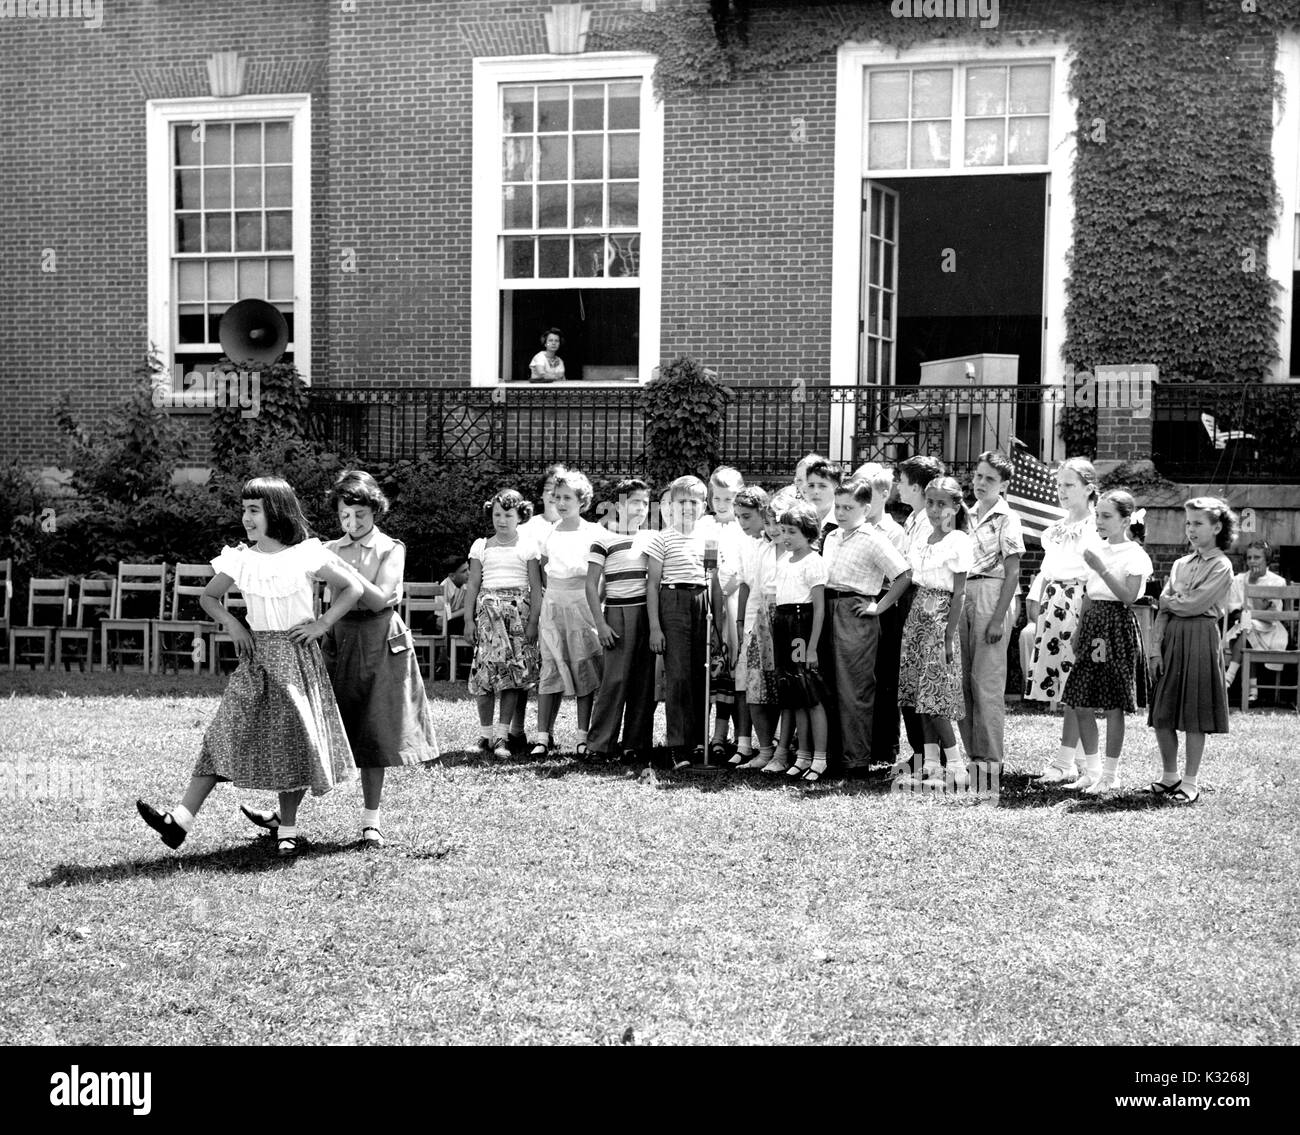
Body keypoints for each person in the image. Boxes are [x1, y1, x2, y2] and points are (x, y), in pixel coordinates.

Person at [136, 477, 363, 857]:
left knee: (294, 740)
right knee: (222, 733)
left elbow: (352, 588)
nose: (246, 518)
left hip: (295, 657)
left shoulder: (305, 554)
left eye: (253, 510)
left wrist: (322, 624)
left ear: (275, 512)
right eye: (244, 510)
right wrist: (234, 623)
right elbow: (209, 597)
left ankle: (287, 829)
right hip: (256, 659)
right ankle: (180, 821)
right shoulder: (241, 559)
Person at [241, 470, 439, 849]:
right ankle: (286, 818)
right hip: (336, 638)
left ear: (375, 511)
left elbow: (381, 598)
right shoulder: (326, 549)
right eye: (345, 516)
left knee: (375, 729)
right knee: (312, 726)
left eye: (360, 515)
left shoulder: (390, 548)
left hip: (380, 638)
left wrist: (347, 574)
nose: (352, 523)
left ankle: (371, 823)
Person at [1058, 489, 1152, 795]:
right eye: (1097, 514)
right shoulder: (1094, 548)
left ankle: (1111, 774)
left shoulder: (1134, 554)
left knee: (1113, 703)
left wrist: (1101, 567)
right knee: (1080, 699)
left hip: (1116, 626)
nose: (1099, 521)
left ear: (1125, 520)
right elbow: (1088, 593)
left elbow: (1129, 596)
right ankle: (1093, 770)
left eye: (1107, 516)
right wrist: (1079, 628)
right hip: (1094, 622)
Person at [1147, 497, 1237, 805]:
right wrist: (1156, 649)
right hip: (1172, 638)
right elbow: (1164, 609)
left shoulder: (1221, 565)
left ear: (1217, 527)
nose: (1192, 529)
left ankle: (1190, 781)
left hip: (1200, 636)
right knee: (1163, 710)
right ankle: (1169, 775)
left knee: (1194, 710)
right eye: (1188, 523)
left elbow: (1193, 604)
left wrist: (1172, 600)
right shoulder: (1180, 565)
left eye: (1198, 523)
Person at [821, 477, 911, 773]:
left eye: (849, 507)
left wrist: (879, 606)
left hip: (856, 611)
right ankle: (833, 755)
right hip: (828, 608)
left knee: (855, 688)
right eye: (838, 506)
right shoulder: (832, 536)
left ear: (865, 507)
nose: (841, 512)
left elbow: (903, 574)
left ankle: (856, 759)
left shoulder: (872, 538)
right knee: (830, 685)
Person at [1026, 457, 1102, 785]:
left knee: (1075, 685)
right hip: (1053, 603)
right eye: (1059, 485)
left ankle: (1066, 761)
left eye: (1069, 485)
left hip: (1078, 602)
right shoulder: (1056, 527)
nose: (1062, 491)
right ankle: (1077, 760)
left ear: (1088, 489)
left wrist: (1084, 616)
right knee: (1062, 682)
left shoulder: (1094, 527)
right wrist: (1035, 597)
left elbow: (1094, 573)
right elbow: (1046, 568)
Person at [896, 476, 973, 789]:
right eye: (930, 502)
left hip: (940, 618)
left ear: (955, 506)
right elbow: (910, 577)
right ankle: (931, 764)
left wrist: (947, 636)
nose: (934, 509)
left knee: (935, 692)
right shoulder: (922, 538)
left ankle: (956, 764)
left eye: (942, 503)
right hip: (918, 614)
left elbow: (959, 593)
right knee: (918, 692)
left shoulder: (958, 541)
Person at [959, 451, 1025, 781]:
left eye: (990, 479)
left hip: (993, 593)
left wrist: (999, 618)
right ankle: (973, 754)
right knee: (962, 678)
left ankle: (991, 758)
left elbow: (1013, 571)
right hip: (963, 593)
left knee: (986, 680)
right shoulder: (965, 515)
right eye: (978, 476)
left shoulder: (1007, 517)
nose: (981, 483)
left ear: (1004, 485)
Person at [464, 489, 543, 758]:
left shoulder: (528, 546)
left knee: (512, 676)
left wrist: (533, 622)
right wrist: (468, 620)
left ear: (520, 516)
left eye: (508, 515)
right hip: (487, 619)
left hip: (517, 619)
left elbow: (535, 586)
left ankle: (501, 735)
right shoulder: (481, 546)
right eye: (497, 514)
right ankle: (485, 735)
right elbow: (473, 584)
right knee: (485, 675)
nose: (502, 520)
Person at [532, 468, 605, 756]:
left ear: (582, 501)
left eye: (568, 498)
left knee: (583, 667)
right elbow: (543, 572)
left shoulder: (592, 532)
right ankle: (542, 736)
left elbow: (598, 576)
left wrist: (591, 604)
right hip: (554, 604)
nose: (561, 503)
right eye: (557, 497)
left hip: (582, 605)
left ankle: (581, 736)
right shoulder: (547, 533)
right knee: (551, 665)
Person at [585, 478, 656, 764]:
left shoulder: (652, 538)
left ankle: (634, 744)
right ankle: (600, 744)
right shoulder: (603, 538)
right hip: (617, 613)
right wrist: (600, 624)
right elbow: (592, 586)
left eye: (644, 503)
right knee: (614, 680)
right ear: (617, 506)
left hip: (646, 614)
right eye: (634, 502)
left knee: (643, 682)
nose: (640, 508)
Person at [647, 475, 710, 769]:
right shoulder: (662, 538)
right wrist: (655, 627)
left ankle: (698, 741)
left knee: (701, 673)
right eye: (681, 502)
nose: (687, 507)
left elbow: (714, 580)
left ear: (704, 506)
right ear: (670, 506)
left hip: (701, 601)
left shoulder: (709, 539)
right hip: (672, 601)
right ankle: (678, 745)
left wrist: (717, 619)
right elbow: (653, 585)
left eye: (693, 502)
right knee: (678, 675)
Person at [892, 455, 946, 778]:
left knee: (921, 679)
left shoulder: (929, 521)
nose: (898, 486)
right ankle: (919, 751)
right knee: (909, 681)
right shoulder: (913, 519)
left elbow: (915, 569)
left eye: (901, 480)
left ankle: (932, 753)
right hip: (908, 599)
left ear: (915, 486)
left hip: (921, 600)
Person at [769, 503, 830, 781]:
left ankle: (819, 758)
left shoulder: (813, 561)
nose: (786, 537)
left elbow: (818, 608)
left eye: (792, 531)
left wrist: (813, 646)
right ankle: (802, 754)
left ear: (808, 532)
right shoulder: (784, 560)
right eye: (783, 531)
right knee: (794, 693)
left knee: (810, 692)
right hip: (783, 623)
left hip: (800, 625)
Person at [694, 465, 746, 760]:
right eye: (718, 499)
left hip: (734, 604)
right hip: (707, 604)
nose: (723, 505)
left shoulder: (744, 528)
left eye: (729, 499)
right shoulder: (704, 526)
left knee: (729, 670)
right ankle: (703, 734)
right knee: (708, 670)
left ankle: (723, 734)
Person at [729, 487, 780, 769]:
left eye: (747, 516)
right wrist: (740, 624)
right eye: (737, 517)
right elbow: (746, 586)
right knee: (750, 684)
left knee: (776, 685)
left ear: (764, 512)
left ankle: (780, 747)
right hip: (752, 622)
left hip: (777, 619)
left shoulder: (781, 544)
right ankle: (753, 746)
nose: (742, 523)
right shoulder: (749, 545)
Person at [1223, 539, 1288, 702]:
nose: (1252, 561)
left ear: (1267, 560)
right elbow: (1235, 610)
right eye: (1249, 557)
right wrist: (1251, 613)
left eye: (1257, 557)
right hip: (1246, 627)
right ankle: (1252, 691)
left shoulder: (1277, 581)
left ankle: (1229, 677)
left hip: (1271, 630)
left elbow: (1272, 615)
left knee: (1246, 628)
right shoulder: (1239, 580)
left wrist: (1253, 598)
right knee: (1246, 628)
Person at [440, 555, 470, 637]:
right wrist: (466, 610)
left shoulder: (467, 585)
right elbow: (445, 616)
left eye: (468, 569)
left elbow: (470, 608)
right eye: (464, 571)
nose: (469, 573)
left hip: (457, 620)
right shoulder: (443, 587)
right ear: (452, 576)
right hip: (444, 621)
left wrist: (466, 610)